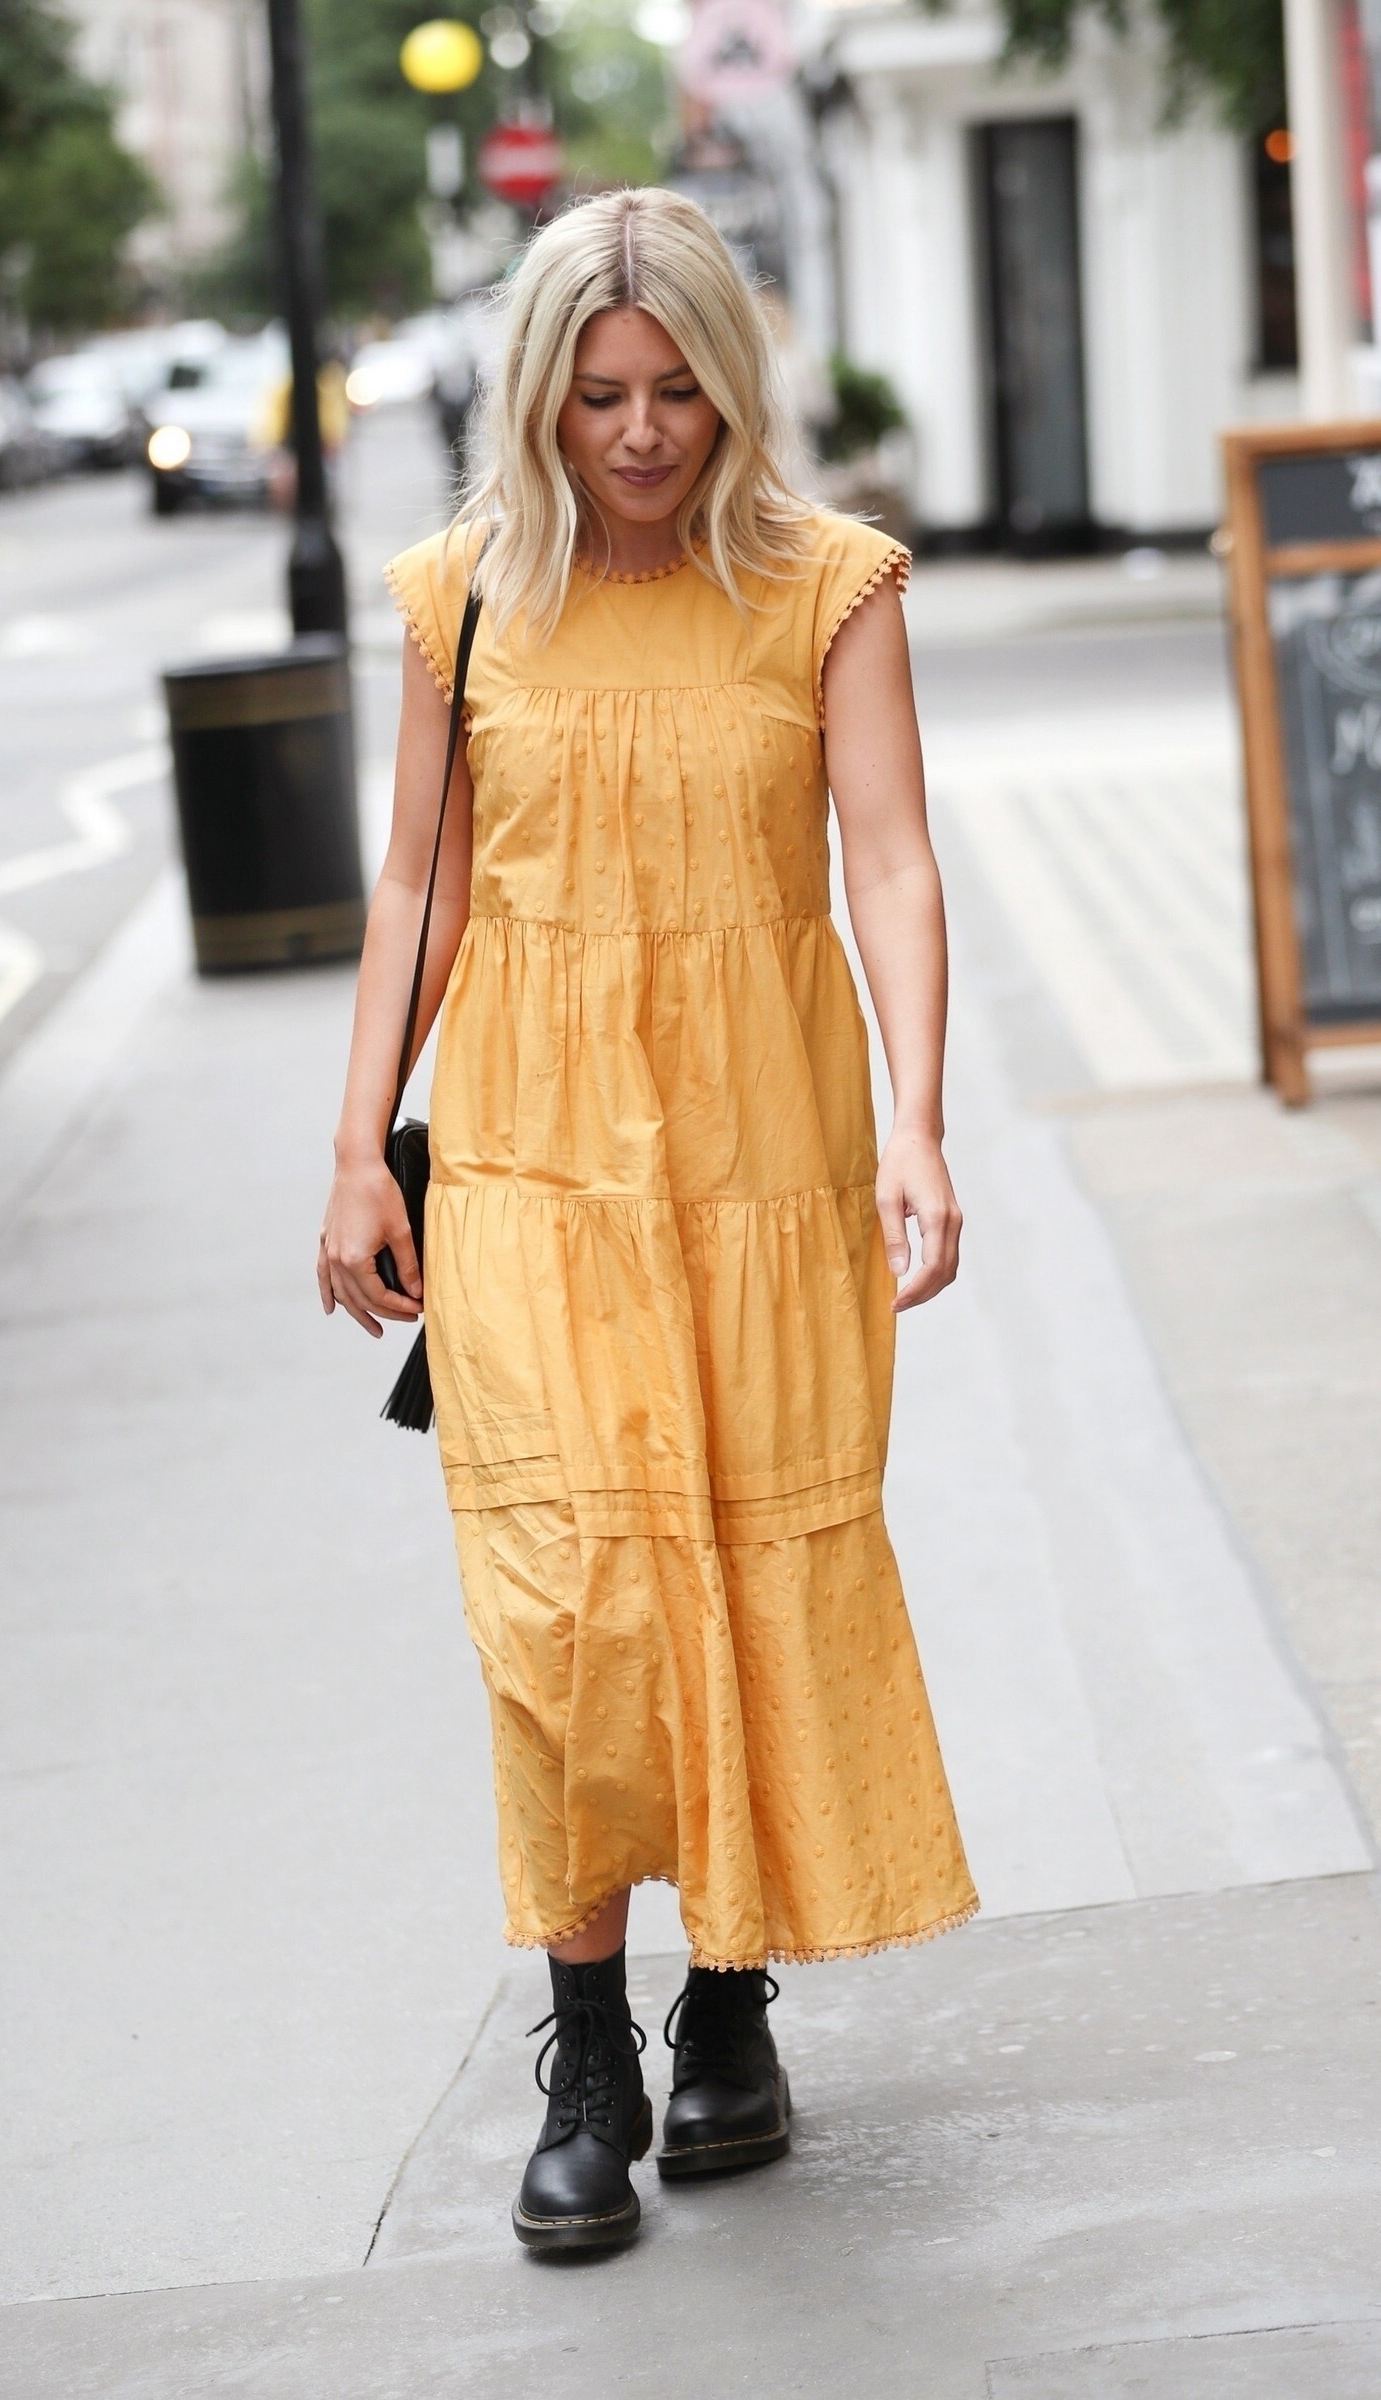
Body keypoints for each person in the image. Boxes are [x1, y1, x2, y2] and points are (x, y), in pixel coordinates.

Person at [318, 187, 977, 2255]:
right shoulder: (460, 599)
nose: (636, 432)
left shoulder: (826, 586)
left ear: (731, 389)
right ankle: (588, 2049)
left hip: (761, 1164)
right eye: (597, 393)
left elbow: (888, 861)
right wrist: (356, 1149)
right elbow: (421, 887)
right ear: (537, 395)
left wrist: (919, 1123)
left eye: (676, 390)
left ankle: (730, 2013)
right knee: (567, 1607)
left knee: (741, 1575)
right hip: (527, 1163)